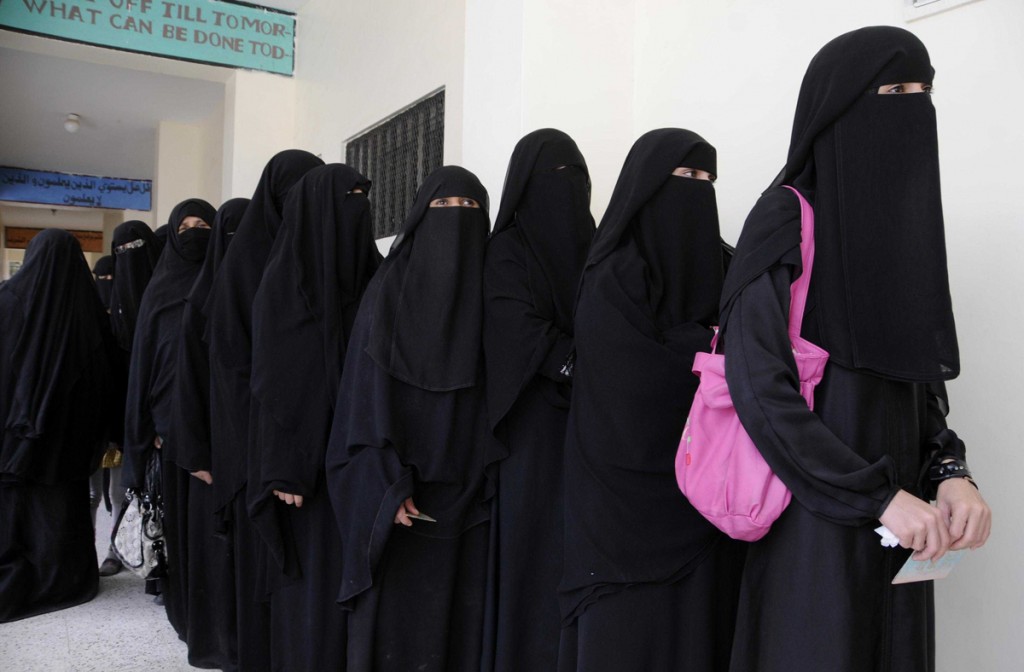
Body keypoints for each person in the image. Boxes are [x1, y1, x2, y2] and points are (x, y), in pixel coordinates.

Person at [718, 27, 991, 672]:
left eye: (924, 92)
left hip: (904, 531)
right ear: (841, 105)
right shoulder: (786, 217)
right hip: (813, 529)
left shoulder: (902, 232)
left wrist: (952, 474)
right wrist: (875, 498)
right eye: (896, 90)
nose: (914, 107)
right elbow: (757, 387)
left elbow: (919, 388)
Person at [559, 129, 745, 672]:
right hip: (622, 505)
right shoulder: (612, 272)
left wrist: (692, 347)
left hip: (714, 495)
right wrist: (703, 346)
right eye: (685, 178)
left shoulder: (727, 263)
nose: (698, 190)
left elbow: (753, 353)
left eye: (707, 180)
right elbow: (626, 378)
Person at [326, 166, 495, 671]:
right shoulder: (388, 294)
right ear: (421, 218)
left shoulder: (493, 293)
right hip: (404, 497)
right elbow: (363, 402)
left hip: (474, 493)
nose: (458, 221)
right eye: (445, 209)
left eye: (471, 210)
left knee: (465, 620)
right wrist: (385, 483)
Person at [248, 164, 382, 671]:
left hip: (357, 461)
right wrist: (285, 463)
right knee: (314, 590)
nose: (360, 207)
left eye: (364, 196)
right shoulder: (282, 290)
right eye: (349, 196)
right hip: (304, 471)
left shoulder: (373, 274)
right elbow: (273, 389)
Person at [203, 149, 324, 671]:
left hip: (309, 445)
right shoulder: (244, 266)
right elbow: (230, 365)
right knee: (260, 561)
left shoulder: (322, 251)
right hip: (254, 437)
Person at [482, 129, 595, 671]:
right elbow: (515, 329)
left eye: (575, 178)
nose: (565, 191)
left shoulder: (596, 243)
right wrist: (580, 363)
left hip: (592, 427)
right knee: (533, 555)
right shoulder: (505, 251)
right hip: (530, 429)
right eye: (553, 178)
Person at [0, 229, 117, 622]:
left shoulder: (7, 301)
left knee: (17, 510)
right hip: (68, 440)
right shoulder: (87, 309)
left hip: (13, 435)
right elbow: (105, 377)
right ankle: (63, 577)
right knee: (62, 507)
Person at [122, 199, 215, 651]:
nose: (195, 232)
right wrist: (150, 428)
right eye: (186, 226)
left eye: (204, 225)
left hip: (218, 430)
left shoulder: (225, 283)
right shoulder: (158, 292)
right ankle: (184, 603)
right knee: (181, 530)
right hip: (169, 431)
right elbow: (144, 367)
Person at [171, 197, 249, 671]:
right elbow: (187, 385)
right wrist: (197, 453)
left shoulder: (265, 292)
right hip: (213, 458)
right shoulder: (200, 302)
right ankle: (217, 644)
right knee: (215, 555)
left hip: (251, 455)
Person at [90, 254, 127, 577]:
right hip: (90, 421)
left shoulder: (128, 312)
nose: (107, 285)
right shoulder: (85, 314)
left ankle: (115, 551)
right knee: (91, 492)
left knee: (117, 492)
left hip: (120, 420)